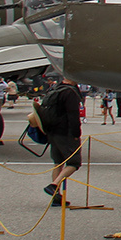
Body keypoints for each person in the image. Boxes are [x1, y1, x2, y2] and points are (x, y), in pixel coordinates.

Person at [39, 73, 83, 205]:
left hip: (52, 131)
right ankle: (54, 185)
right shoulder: (70, 93)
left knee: (58, 163)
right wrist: (76, 133)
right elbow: (73, 115)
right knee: (74, 163)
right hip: (66, 132)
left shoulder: (55, 89)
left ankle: (56, 197)